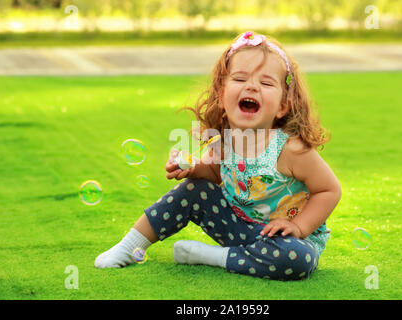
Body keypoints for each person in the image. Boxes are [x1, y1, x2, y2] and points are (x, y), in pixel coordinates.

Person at [94, 31, 341, 281]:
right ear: (222, 95)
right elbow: (216, 173)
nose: (252, 86)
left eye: (266, 83)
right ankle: (129, 246)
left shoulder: (290, 149)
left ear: (282, 106)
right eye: (240, 78)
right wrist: (192, 169)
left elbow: (329, 190)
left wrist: (299, 227)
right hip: (237, 227)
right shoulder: (222, 138)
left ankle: (213, 256)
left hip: (285, 241)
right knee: (192, 189)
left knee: (298, 260)